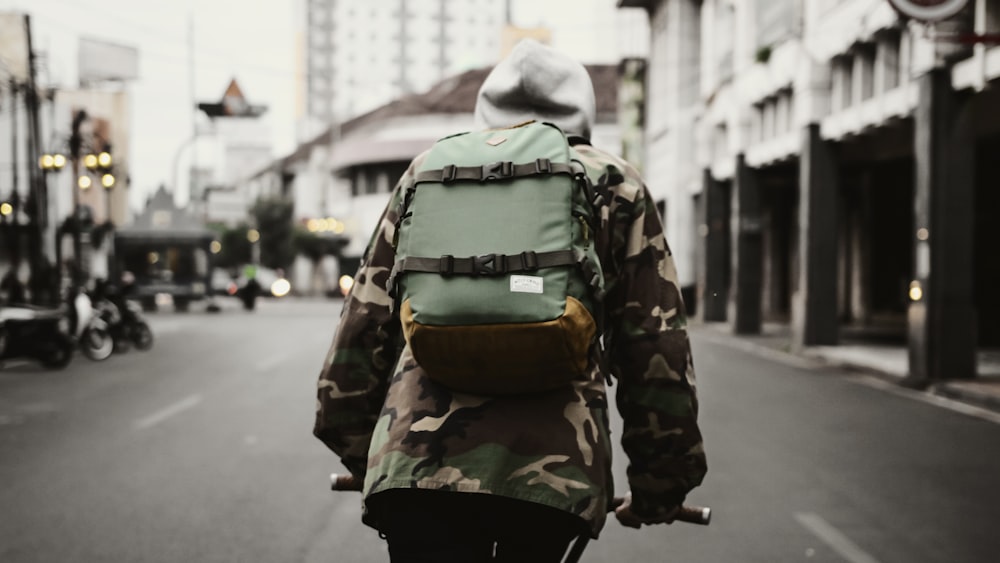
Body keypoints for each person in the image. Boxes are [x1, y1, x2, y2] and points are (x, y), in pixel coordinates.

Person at [313, 38, 707, 562]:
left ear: (485, 112)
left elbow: (358, 336)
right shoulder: (612, 181)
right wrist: (661, 485)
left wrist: (371, 459)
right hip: (553, 482)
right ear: (583, 111)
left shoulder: (427, 173)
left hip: (415, 469)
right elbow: (655, 350)